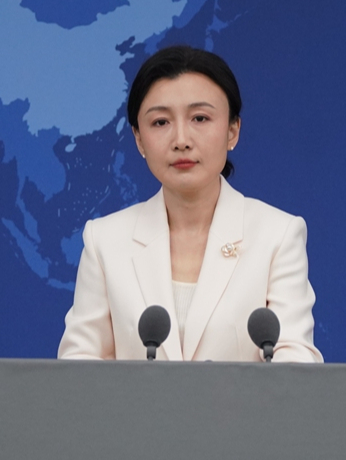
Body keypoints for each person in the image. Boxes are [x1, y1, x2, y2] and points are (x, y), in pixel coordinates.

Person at [57, 45, 323, 362]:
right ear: (139, 139)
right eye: (160, 122)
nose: (181, 140)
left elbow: (296, 362)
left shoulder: (277, 235)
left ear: (232, 131)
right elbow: (78, 365)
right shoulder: (105, 240)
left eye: (200, 118)